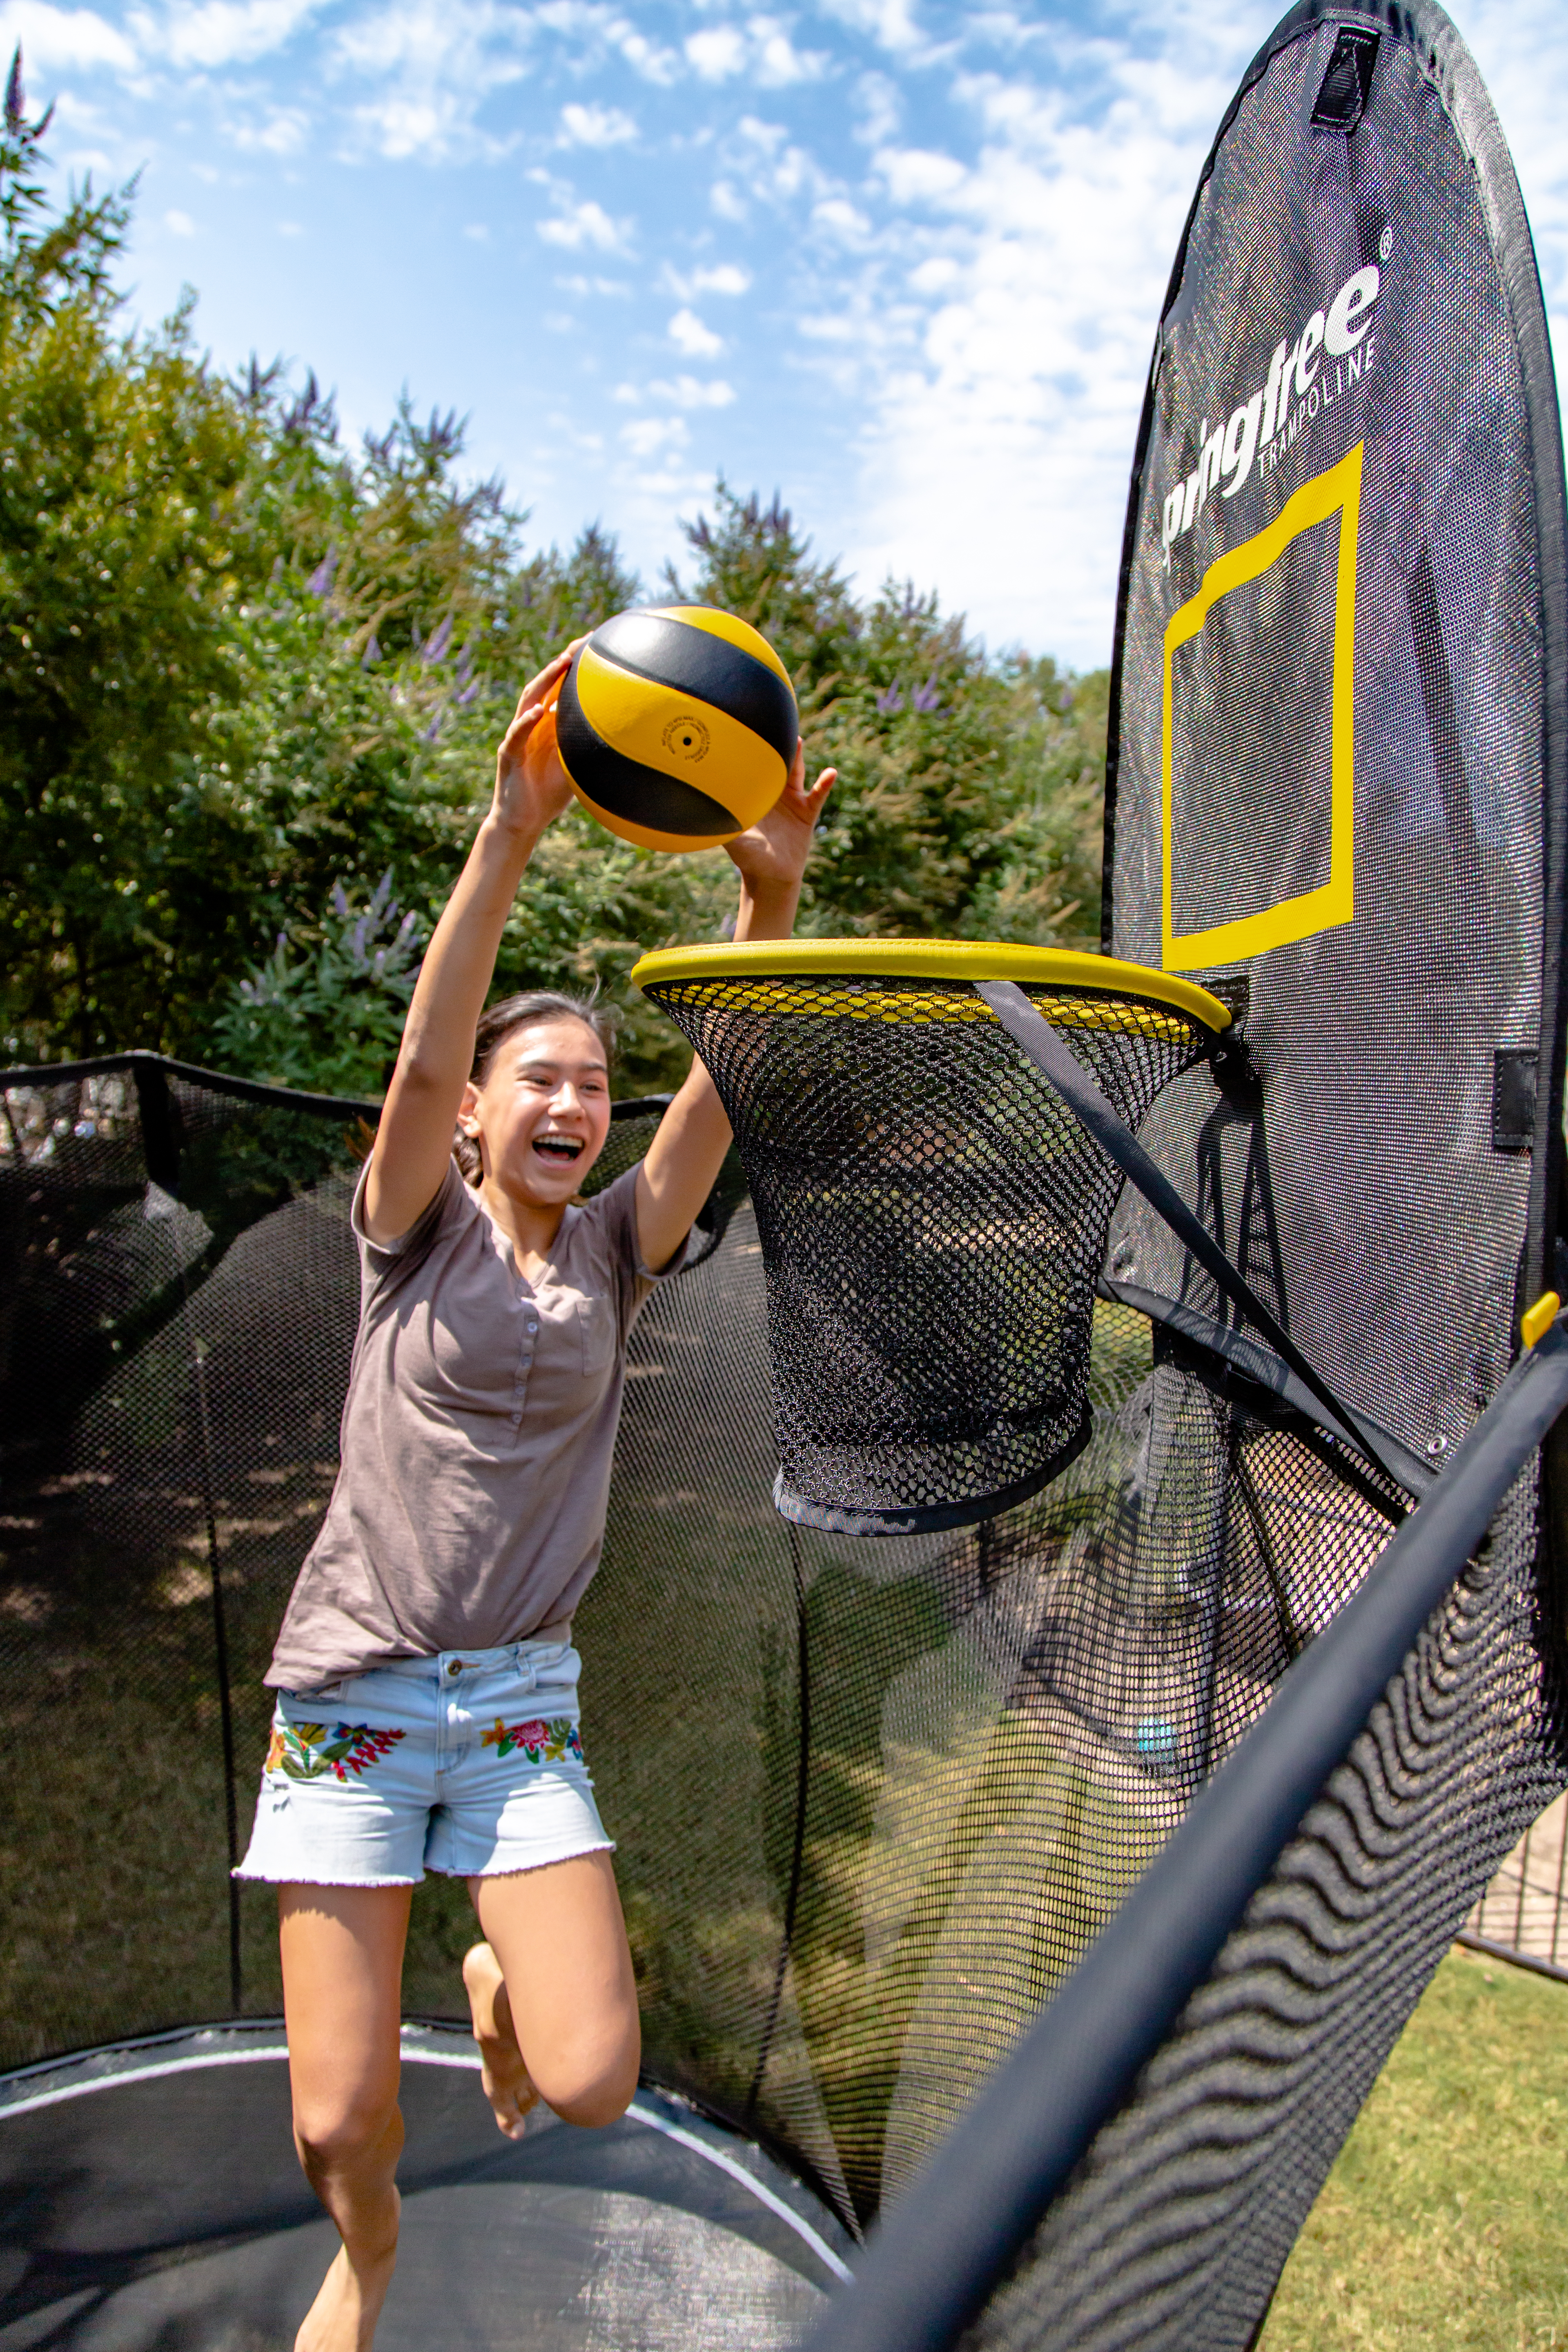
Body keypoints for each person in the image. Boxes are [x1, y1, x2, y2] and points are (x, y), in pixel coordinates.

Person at [234, 641, 835, 2352]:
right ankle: (371, 2251)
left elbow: (721, 1083)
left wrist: (767, 901)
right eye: (542, 1082)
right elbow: (418, 1067)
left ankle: (497, 1981)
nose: (575, 1099)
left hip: (509, 1708)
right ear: (484, 1123)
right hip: (352, 1692)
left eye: (592, 1081)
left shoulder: (617, 1254)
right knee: (336, 2125)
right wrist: (507, 832)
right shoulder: (407, 1229)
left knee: (587, 2081)